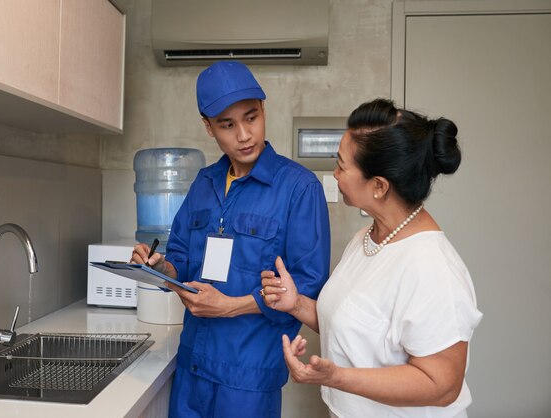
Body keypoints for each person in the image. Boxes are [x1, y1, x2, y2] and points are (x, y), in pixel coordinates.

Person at [130, 61, 331, 418]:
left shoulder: (299, 188)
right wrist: (159, 266)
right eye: (227, 124)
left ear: (264, 110)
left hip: (248, 376)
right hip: (192, 366)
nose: (244, 135)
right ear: (208, 128)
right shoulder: (204, 183)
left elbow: (307, 286)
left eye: (251, 117)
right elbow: (180, 256)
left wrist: (231, 306)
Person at [260, 98, 483, 418]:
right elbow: (359, 331)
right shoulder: (366, 240)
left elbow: (443, 385)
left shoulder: (432, 267)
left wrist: (336, 376)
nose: (335, 174)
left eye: (341, 165)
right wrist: (295, 303)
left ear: (378, 186)